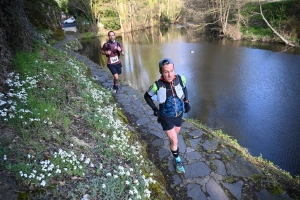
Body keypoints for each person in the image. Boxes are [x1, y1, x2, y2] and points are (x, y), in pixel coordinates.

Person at [144, 58, 191, 173]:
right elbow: (146, 96)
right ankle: (177, 160)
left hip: (178, 115)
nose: (170, 74)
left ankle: (174, 149)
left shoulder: (180, 79)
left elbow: (185, 89)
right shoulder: (157, 85)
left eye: (171, 71)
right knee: (175, 140)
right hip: (165, 117)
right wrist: (155, 109)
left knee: (174, 138)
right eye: (166, 72)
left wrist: (186, 102)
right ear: (161, 72)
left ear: (174, 69)